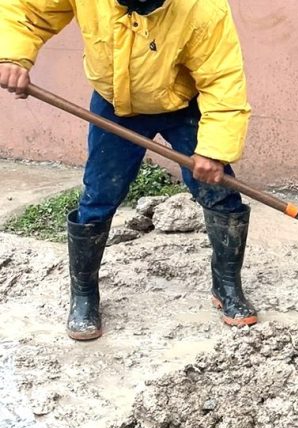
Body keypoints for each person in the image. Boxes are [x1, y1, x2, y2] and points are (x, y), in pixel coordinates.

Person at [0, 0, 259, 340]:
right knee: (99, 196)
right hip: (113, 105)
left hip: (181, 103)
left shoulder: (202, 7)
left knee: (219, 191)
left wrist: (213, 150)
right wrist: (12, 55)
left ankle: (226, 284)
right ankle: (84, 294)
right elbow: (28, 10)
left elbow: (223, 79)